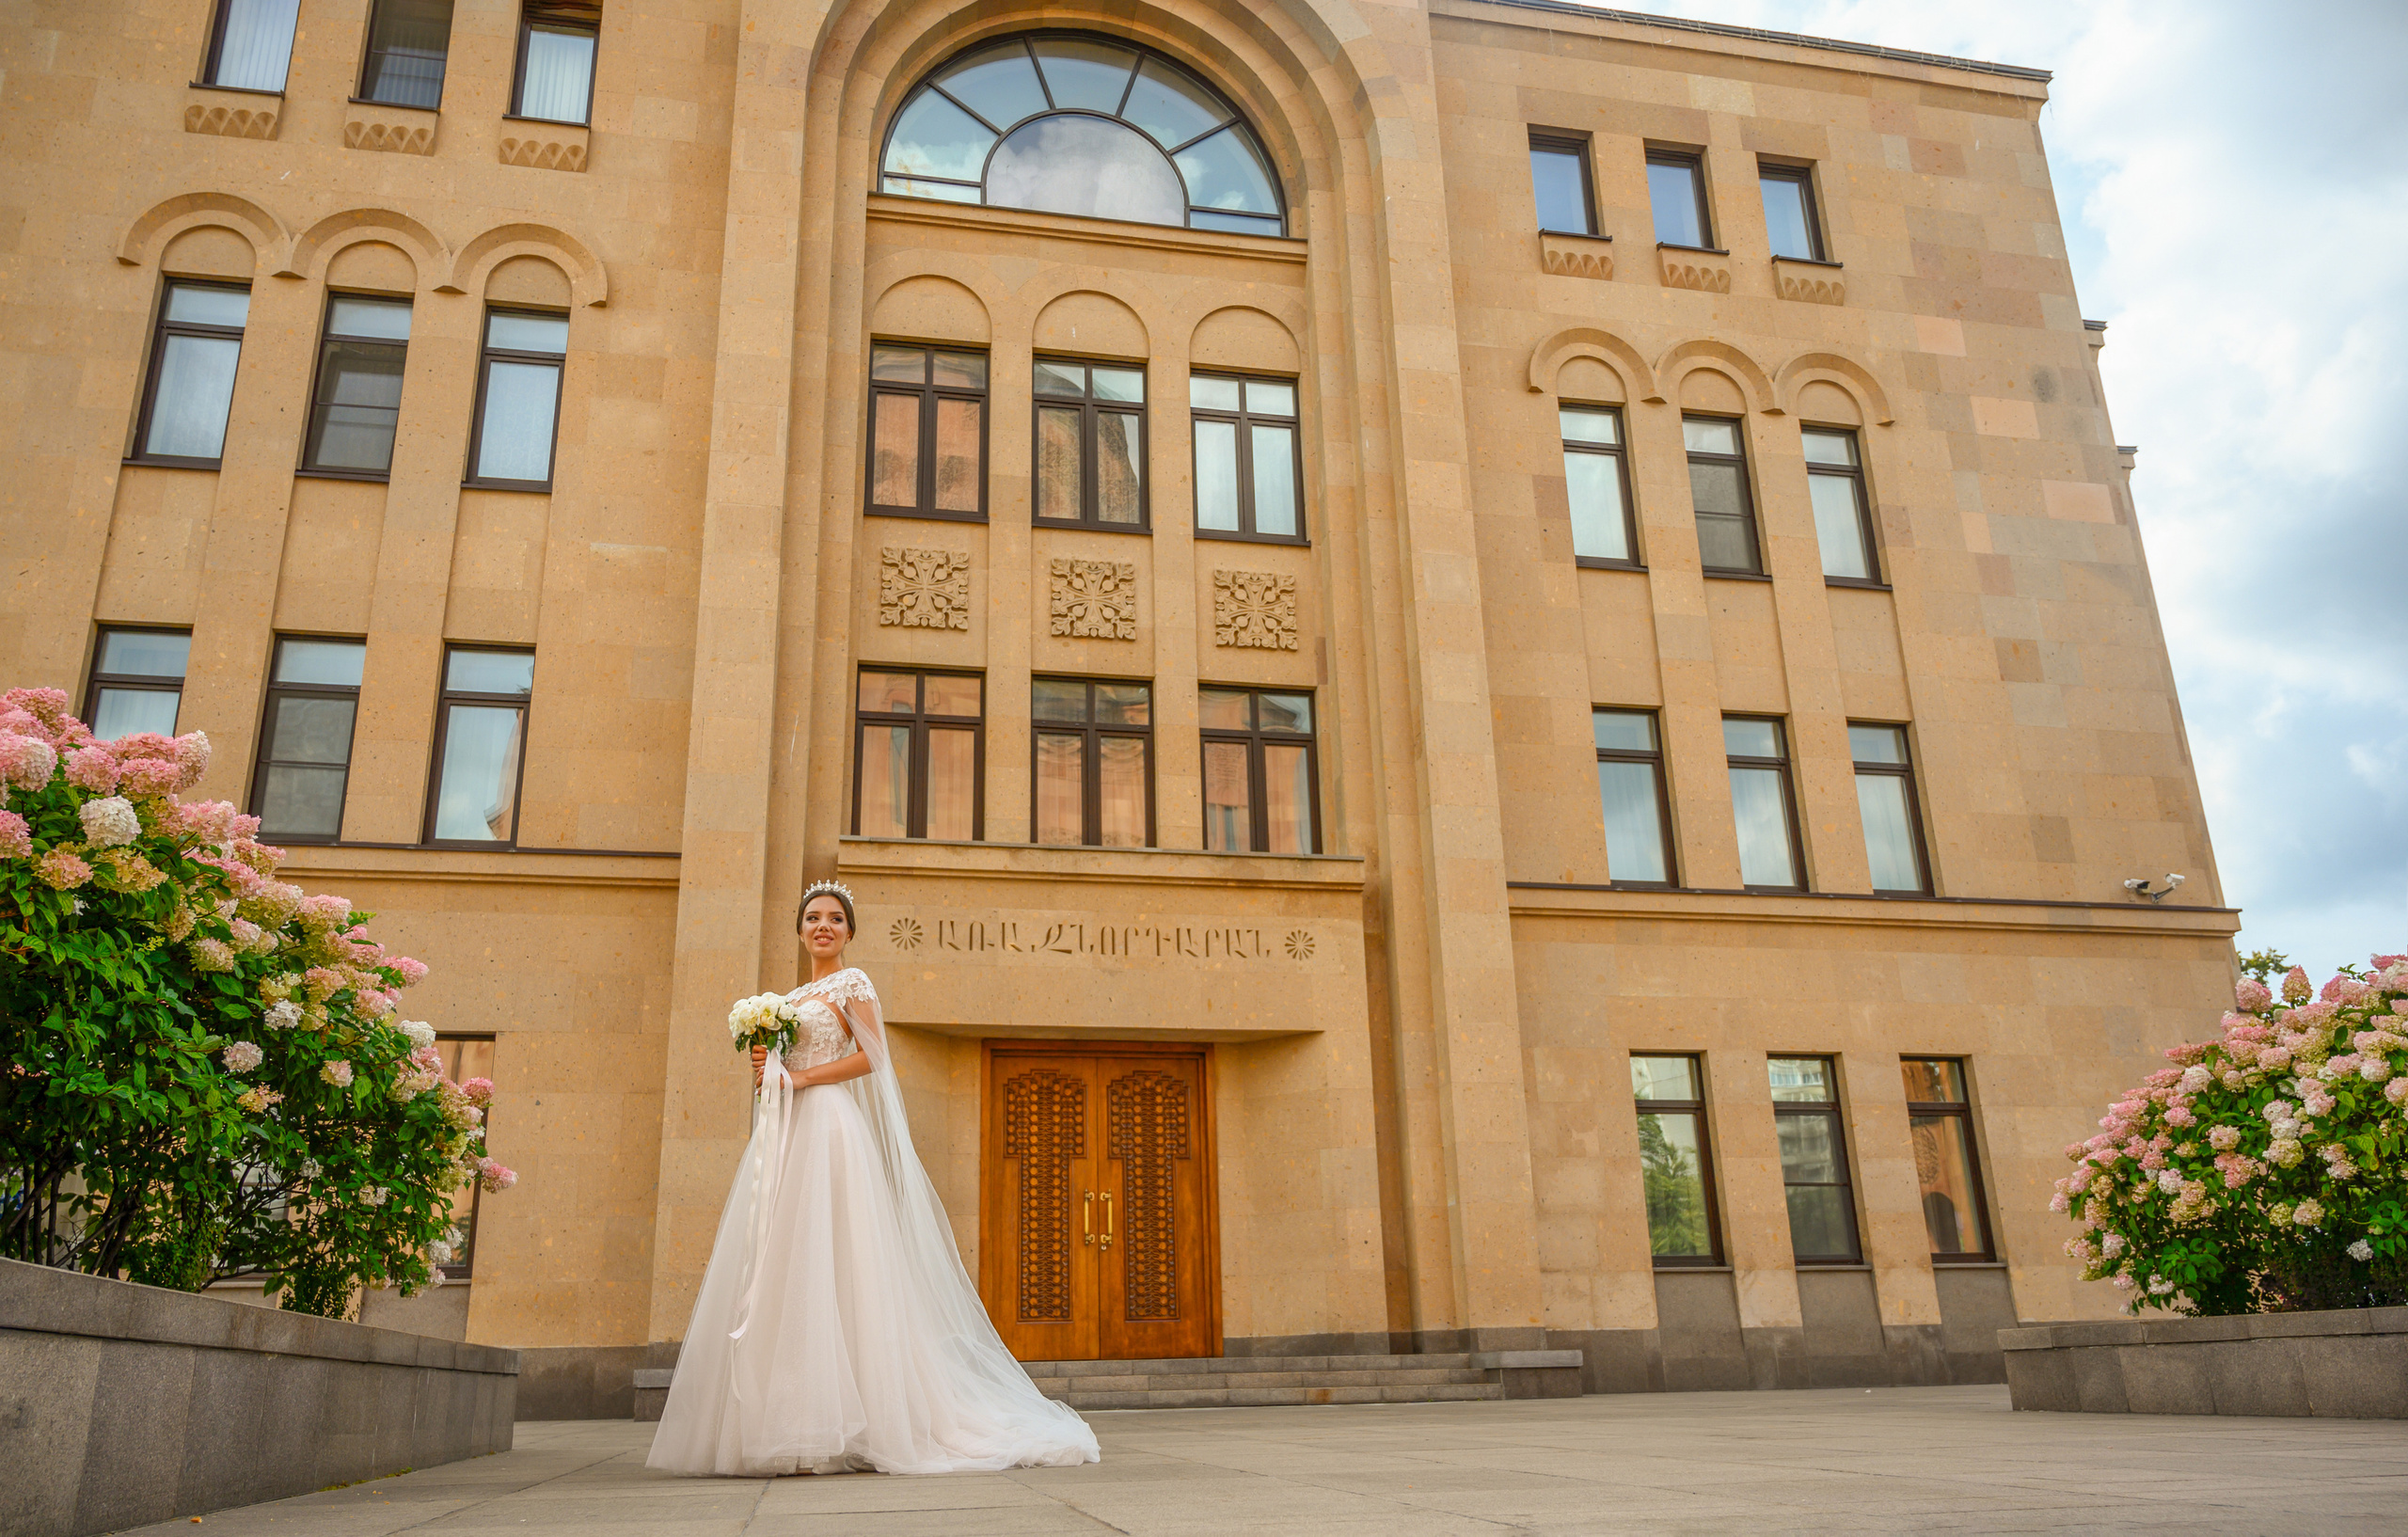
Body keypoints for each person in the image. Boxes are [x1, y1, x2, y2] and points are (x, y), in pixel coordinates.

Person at [647, 879, 1100, 1475]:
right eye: (813, 917)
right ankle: (786, 1420)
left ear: (850, 932)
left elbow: (874, 1057)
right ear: (801, 929)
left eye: (835, 918)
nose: (824, 926)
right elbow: (779, 1070)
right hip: (786, 1134)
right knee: (787, 1260)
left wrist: (804, 1080)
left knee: (839, 1258)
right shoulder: (788, 997)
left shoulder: (852, 984)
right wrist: (768, 1063)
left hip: (831, 1129)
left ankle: (859, 1421)